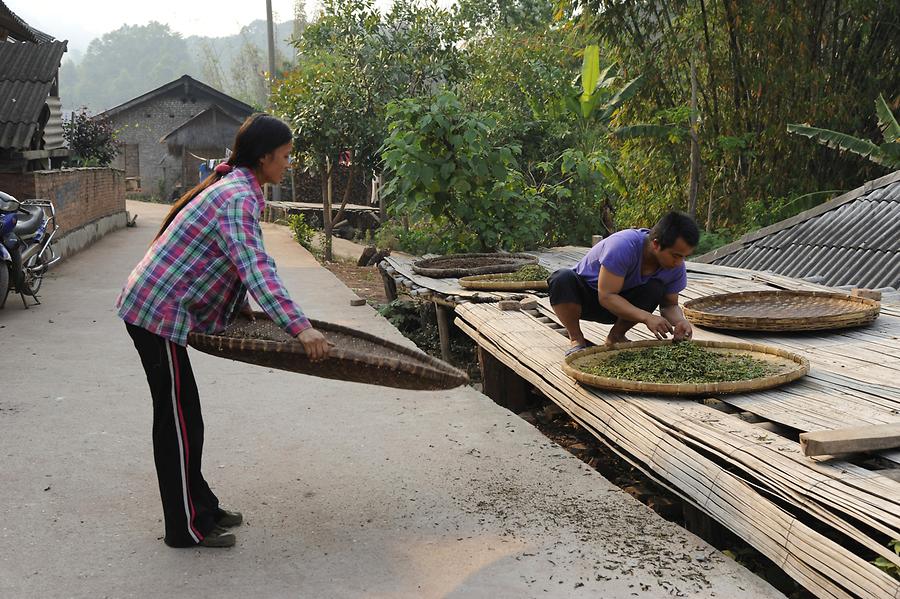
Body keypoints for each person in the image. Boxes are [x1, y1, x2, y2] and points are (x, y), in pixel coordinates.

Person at [116, 113, 329, 548]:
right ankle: (184, 529)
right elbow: (254, 265)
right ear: (265, 156)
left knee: (187, 418)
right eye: (286, 156)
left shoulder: (237, 187)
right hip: (156, 312)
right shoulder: (238, 196)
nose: (289, 163)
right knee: (177, 422)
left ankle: (202, 508)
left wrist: (242, 306)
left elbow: (228, 260)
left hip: (162, 310)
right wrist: (299, 328)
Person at [548, 211, 699, 354]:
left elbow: (670, 305)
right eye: (676, 255)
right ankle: (576, 339)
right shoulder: (623, 245)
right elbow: (606, 296)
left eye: (684, 257)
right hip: (585, 301)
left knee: (655, 288)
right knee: (562, 279)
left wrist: (680, 322)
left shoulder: (675, 266)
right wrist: (647, 317)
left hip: (624, 308)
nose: (679, 262)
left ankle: (616, 337)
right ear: (656, 244)